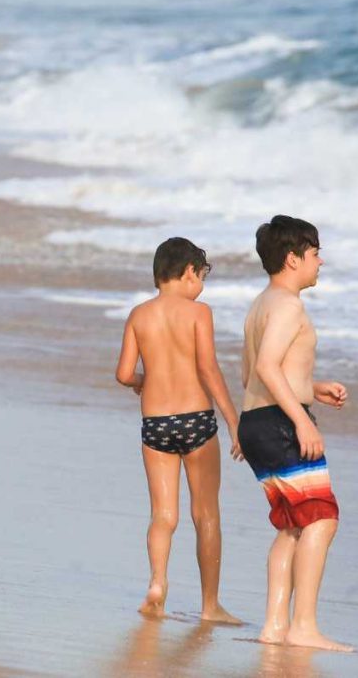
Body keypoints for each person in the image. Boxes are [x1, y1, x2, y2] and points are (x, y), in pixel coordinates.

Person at [115, 237, 241, 623]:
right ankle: (210, 606)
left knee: (162, 515)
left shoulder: (139, 314)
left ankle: (157, 583)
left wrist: (143, 381)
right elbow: (207, 369)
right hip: (196, 421)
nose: (201, 285)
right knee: (206, 514)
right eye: (201, 276)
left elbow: (122, 374)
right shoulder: (198, 313)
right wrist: (234, 420)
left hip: (154, 424)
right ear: (189, 272)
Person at [239, 215, 350, 651]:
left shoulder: (261, 304)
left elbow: (252, 372)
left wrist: (312, 389)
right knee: (322, 519)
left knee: (293, 526)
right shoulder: (288, 306)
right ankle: (303, 625)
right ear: (292, 258)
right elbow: (266, 368)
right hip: (280, 423)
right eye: (315, 253)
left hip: (259, 422)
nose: (320, 262)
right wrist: (302, 419)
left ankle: (274, 627)